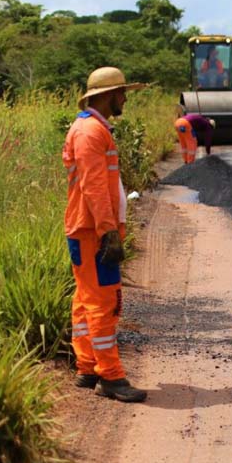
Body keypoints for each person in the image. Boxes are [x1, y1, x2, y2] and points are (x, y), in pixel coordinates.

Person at [63, 67, 148, 403]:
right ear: (107, 94)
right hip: (94, 231)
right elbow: (95, 186)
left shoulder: (92, 128)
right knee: (104, 303)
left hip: (86, 229)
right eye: (121, 92)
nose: (125, 97)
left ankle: (87, 367)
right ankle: (110, 377)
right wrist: (108, 232)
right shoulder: (89, 132)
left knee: (86, 300)